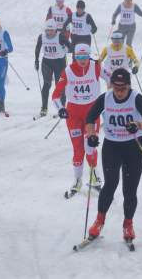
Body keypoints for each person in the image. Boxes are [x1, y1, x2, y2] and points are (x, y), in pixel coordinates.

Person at [86, 68, 142, 242]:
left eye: (122, 88)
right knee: (110, 184)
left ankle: (128, 224)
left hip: (133, 147)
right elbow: (89, 118)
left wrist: (138, 125)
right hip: (112, 146)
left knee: (129, 189)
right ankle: (99, 221)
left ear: (128, 86)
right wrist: (92, 135)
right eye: (115, 87)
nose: (118, 92)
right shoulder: (106, 98)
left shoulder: (136, 98)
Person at [52, 44, 102, 196]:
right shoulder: (68, 71)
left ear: (89, 56)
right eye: (79, 57)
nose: (82, 60)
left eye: (85, 56)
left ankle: (94, 177)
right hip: (73, 114)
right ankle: (77, 180)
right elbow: (55, 95)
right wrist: (60, 108)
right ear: (74, 57)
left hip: (91, 113)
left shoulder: (96, 67)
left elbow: (113, 79)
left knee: (89, 147)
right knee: (78, 148)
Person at [35, 19, 72, 117]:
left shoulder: (60, 37)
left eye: (51, 31)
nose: (49, 33)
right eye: (47, 30)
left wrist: (65, 48)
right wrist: (36, 61)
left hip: (59, 63)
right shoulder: (42, 37)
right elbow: (37, 48)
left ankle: (62, 107)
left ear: (55, 30)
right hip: (47, 62)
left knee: (59, 85)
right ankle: (44, 107)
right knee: (46, 84)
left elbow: (71, 48)